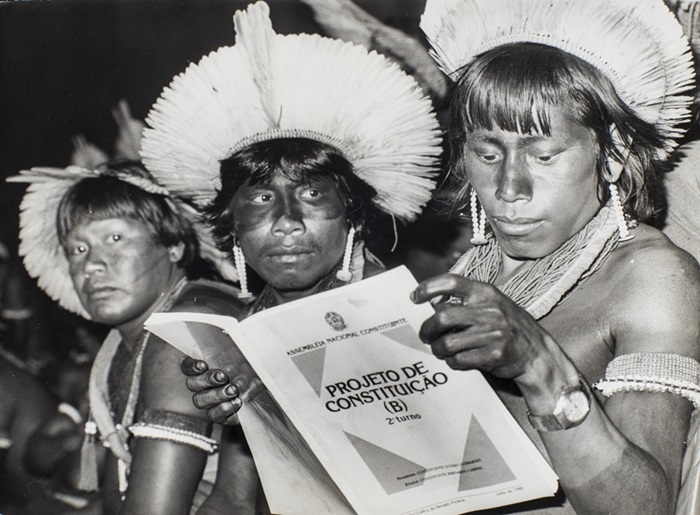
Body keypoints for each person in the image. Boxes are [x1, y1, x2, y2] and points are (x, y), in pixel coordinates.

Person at [138, 1, 442, 511]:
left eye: (311, 193)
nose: (286, 220)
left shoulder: (412, 316)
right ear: (231, 223)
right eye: (260, 198)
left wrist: (288, 384)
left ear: (353, 212)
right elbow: (233, 501)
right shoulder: (247, 331)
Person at [407, 0, 700, 513]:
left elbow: (647, 509)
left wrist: (539, 366)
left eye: (543, 156)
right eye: (488, 154)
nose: (508, 187)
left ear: (612, 154)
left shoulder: (653, 278)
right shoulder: (465, 270)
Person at [8, 159, 244, 514]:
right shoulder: (119, 344)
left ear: (174, 244)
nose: (91, 265)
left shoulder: (183, 332)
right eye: (78, 249)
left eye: (114, 238)